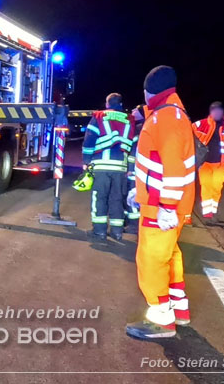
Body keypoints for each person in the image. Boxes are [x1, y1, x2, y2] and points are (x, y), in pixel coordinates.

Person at [126, 66, 196, 340]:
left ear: (150, 91)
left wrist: (166, 205)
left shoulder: (165, 119)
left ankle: (161, 319)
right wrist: (139, 191)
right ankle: (178, 308)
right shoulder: (173, 114)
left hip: (162, 206)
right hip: (163, 202)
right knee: (171, 255)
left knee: (151, 259)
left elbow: (173, 167)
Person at [82, 93, 135, 241]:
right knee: (117, 199)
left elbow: (89, 139)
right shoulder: (129, 119)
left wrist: (86, 160)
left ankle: (99, 231)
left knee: (99, 198)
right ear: (121, 104)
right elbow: (133, 142)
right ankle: (117, 232)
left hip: (101, 165)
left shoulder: (99, 116)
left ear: (107, 104)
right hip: (120, 167)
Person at [192, 102, 224, 223]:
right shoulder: (201, 124)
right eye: (214, 110)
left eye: (219, 110)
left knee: (217, 187)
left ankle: (213, 210)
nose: (217, 113)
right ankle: (208, 215)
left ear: (223, 112)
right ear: (210, 112)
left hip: (221, 164)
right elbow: (187, 134)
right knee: (206, 186)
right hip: (204, 163)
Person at [124, 105, 146, 234]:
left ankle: (134, 226)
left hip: (135, 172)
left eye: (135, 110)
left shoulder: (139, 128)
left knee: (133, 198)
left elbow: (134, 151)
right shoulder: (142, 126)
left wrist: (130, 168)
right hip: (140, 171)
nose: (132, 111)